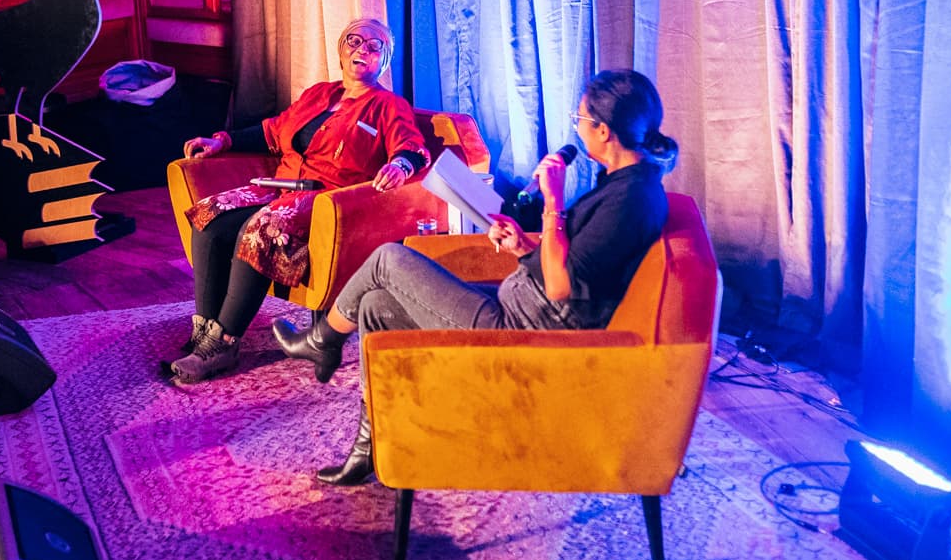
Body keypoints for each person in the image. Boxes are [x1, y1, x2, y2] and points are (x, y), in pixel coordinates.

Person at [273, 69, 678, 484]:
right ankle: (369, 449)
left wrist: (553, 202)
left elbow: (561, 287)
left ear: (604, 131)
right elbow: (577, 264)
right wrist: (523, 246)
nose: (577, 129)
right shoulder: (625, 184)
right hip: (521, 307)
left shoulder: (631, 199)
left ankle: (322, 341)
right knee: (376, 306)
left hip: (526, 334)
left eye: (580, 120)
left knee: (386, 259)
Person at [168, 18, 428, 385]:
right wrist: (222, 141)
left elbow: (412, 148)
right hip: (281, 185)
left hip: (325, 197)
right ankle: (205, 332)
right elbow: (273, 131)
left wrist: (400, 165)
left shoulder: (388, 105)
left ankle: (223, 343)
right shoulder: (319, 94)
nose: (362, 50)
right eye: (354, 41)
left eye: (374, 47)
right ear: (341, 50)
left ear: (384, 61)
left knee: (262, 229)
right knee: (209, 215)